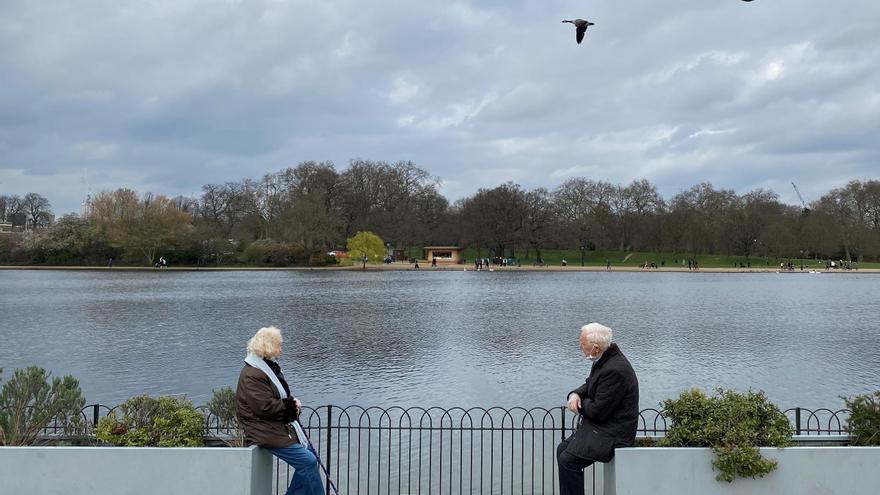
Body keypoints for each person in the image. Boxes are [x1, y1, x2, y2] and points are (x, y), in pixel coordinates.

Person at [236, 326, 324, 495]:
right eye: (278, 345)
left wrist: (291, 405)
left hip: (274, 428)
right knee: (308, 461)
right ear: (268, 347)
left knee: (310, 458)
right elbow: (265, 407)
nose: (281, 348)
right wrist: (292, 406)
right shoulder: (253, 374)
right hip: (263, 431)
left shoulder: (267, 368)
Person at [557, 323, 639, 495]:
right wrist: (575, 394)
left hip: (614, 433)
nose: (580, 347)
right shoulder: (605, 359)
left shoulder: (615, 369)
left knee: (568, 461)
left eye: (583, 344)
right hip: (602, 427)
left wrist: (578, 407)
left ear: (595, 347)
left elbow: (597, 411)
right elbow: (590, 384)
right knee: (562, 450)